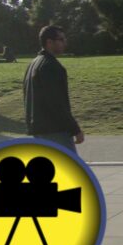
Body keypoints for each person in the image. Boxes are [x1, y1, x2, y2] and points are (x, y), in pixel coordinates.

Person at [23, 25, 83, 153]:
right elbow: (57, 102)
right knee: (71, 170)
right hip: (55, 130)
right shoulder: (51, 66)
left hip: (39, 128)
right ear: (49, 42)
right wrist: (75, 129)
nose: (65, 43)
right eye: (61, 39)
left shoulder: (33, 64)